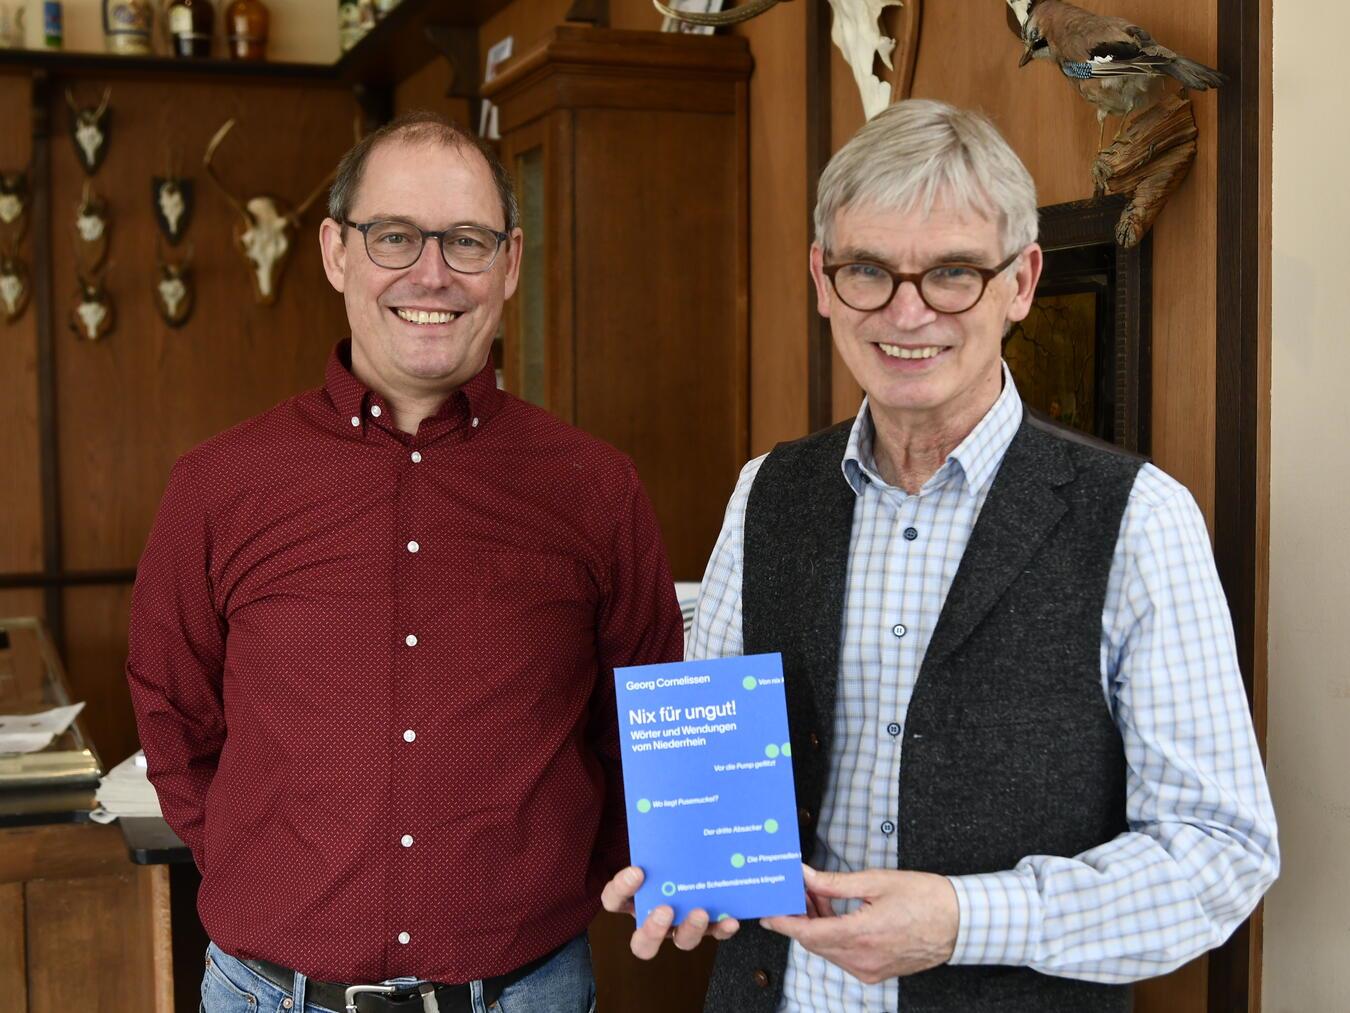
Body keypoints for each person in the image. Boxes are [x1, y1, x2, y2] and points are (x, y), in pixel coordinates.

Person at [601, 98, 1279, 1012]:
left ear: (1022, 281)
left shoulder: (1140, 520)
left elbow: (1222, 852)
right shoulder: (768, 491)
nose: (907, 311)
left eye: (954, 272)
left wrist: (967, 918)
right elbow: (710, 770)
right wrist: (685, 875)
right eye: (868, 270)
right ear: (821, 279)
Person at [126, 111, 682, 1013]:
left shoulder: (597, 488)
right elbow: (171, 709)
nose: (432, 273)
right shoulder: (219, 484)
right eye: (394, 237)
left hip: (526, 992)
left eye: (466, 240)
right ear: (336, 252)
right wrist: (262, 866)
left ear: (510, 262)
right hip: (269, 994)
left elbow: (640, 728)